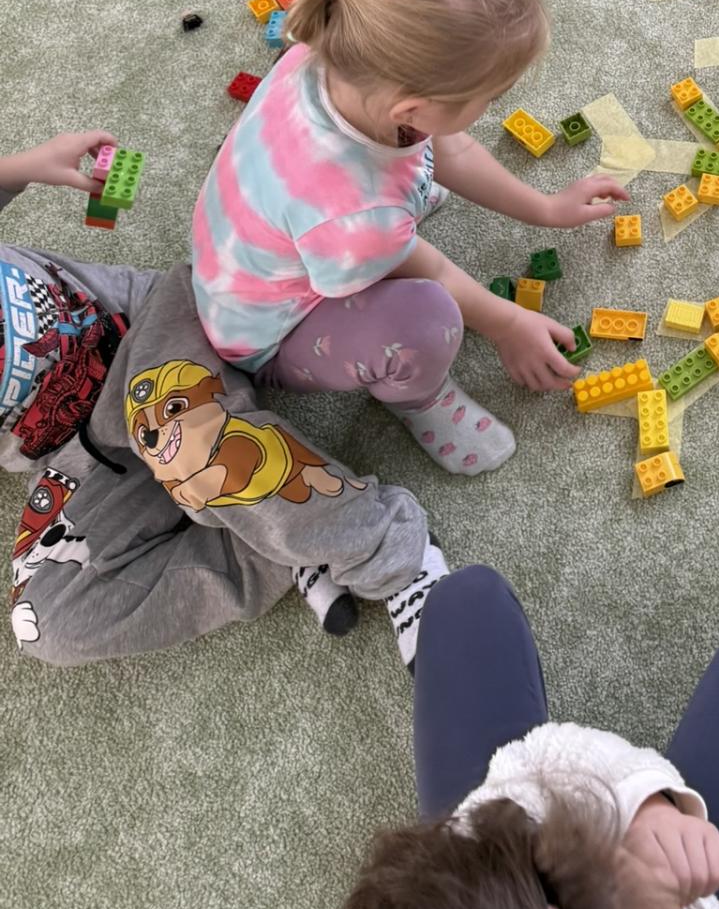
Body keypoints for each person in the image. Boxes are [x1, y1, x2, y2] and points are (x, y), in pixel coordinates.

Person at [191, 0, 627, 477]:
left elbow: (451, 147)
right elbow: (434, 272)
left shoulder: (336, 54)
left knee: (394, 211)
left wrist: (544, 208)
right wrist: (508, 325)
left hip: (268, 243)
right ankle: (419, 398)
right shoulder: (360, 217)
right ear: (411, 110)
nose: (493, 105)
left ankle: (396, 221)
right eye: (491, 96)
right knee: (424, 320)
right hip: (271, 335)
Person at [1, 130, 444, 669]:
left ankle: (395, 553)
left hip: (151, 328)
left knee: (185, 441)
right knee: (45, 622)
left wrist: (21, 167)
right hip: (83, 455)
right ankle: (277, 545)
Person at [320, 565, 719, 909]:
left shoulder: (473, 885)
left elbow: (536, 757)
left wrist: (644, 802)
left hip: (478, 884)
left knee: (464, 601)